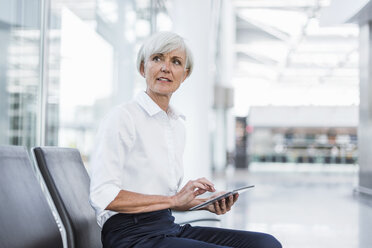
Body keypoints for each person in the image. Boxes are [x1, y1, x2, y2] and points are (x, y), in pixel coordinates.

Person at [89, 31, 282, 248]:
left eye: (176, 62)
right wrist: (173, 201)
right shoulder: (122, 118)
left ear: (184, 74)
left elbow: (164, 200)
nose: (166, 67)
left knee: (266, 244)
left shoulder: (176, 126)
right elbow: (103, 196)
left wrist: (204, 204)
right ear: (143, 68)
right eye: (157, 58)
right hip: (129, 235)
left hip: (166, 226)